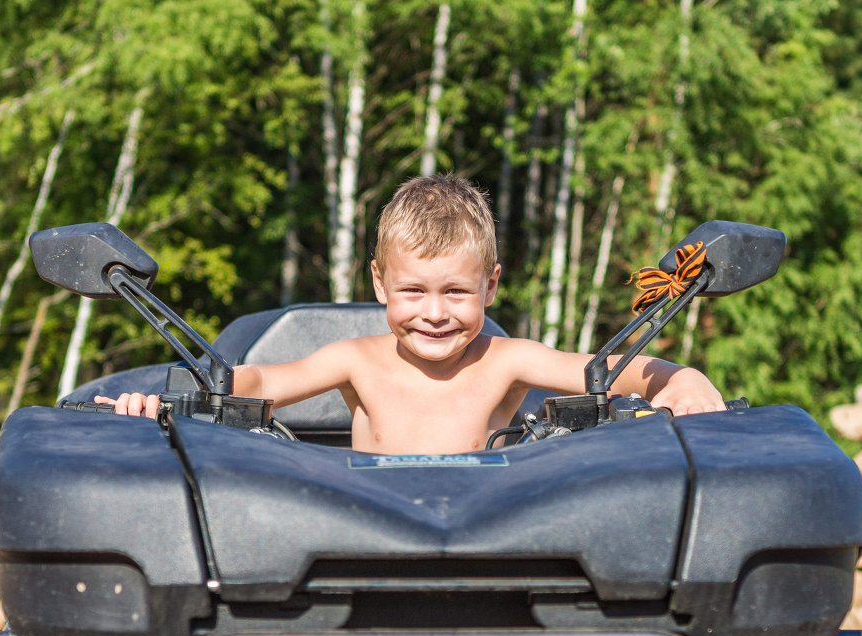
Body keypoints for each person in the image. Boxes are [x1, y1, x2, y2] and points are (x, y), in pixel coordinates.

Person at [98, 174, 725, 453]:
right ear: (379, 282)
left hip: (488, 557)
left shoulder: (508, 362)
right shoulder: (354, 361)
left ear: (491, 286)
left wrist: (681, 381)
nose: (434, 314)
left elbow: (607, 371)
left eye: (456, 292)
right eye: (413, 291)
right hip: (360, 556)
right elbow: (259, 382)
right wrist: (161, 399)